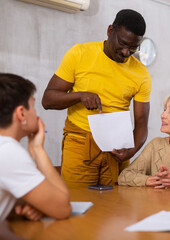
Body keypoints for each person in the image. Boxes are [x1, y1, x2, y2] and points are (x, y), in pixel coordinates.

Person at [42, 9, 152, 187]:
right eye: (123, 44)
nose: (126, 52)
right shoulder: (79, 54)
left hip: (117, 148)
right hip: (80, 142)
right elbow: (48, 100)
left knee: (117, 207)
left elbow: (141, 123)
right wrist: (80, 96)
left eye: (133, 48)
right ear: (110, 31)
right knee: (78, 203)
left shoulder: (142, 73)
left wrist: (131, 152)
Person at [0, 73, 71, 221]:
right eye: (32, 106)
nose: (36, 113)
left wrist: (28, 205)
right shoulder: (9, 152)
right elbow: (63, 208)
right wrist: (38, 149)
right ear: (21, 113)